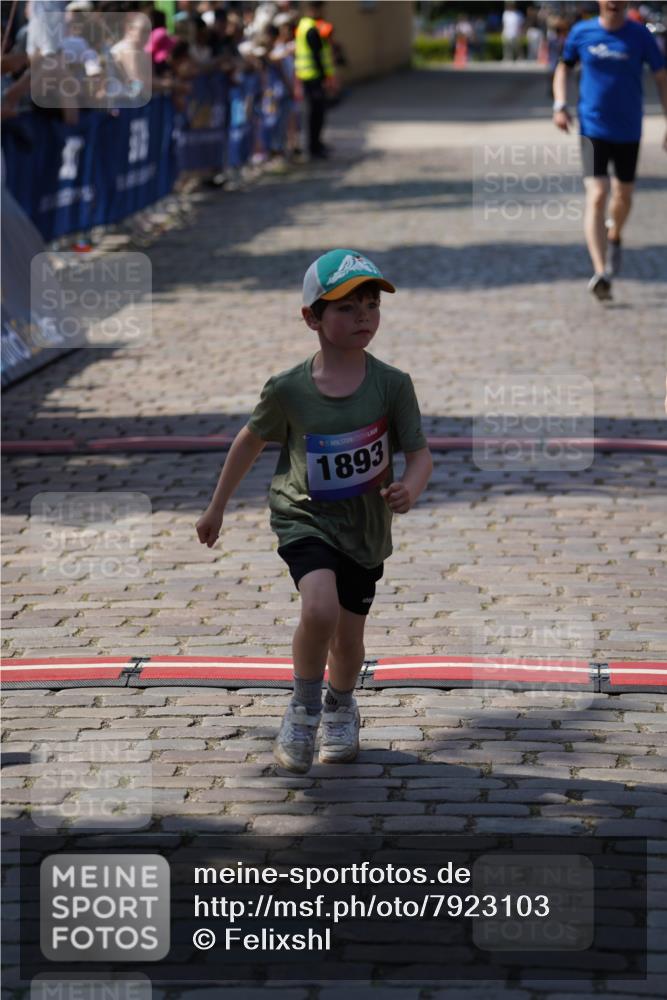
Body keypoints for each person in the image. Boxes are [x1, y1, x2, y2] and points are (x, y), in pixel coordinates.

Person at [196, 250, 433, 774]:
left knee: (349, 639)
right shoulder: (289, 389)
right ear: (312, 318)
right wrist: (217, 507)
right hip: (304, 515)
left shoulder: (393, 384)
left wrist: (410, 488)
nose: (364, 316)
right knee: (319, 608)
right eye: (347, 308)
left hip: (367, 530)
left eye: (371, 305)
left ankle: (341, 705)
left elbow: (419, 454)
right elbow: (249, 441)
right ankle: (302, 710)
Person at [553, 0, 667, 301]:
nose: (614, 2)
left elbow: (661, 77)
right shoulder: (581, 32)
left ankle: (614, 234)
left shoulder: (640, 36)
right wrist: (560, 105)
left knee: (623, 195)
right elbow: (563, 68)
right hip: (592, 128)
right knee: (598, 194)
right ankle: (601, 271)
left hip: (629, 129)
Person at [295, 0, 335, 159]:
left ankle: (316, 144)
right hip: (313, 77)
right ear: (314, 9)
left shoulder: (305, 25)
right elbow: (317, 55)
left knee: (315, 113)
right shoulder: (311, 29)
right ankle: (314, 147)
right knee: (316, 113)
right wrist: (326, 77)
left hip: (308, 76)